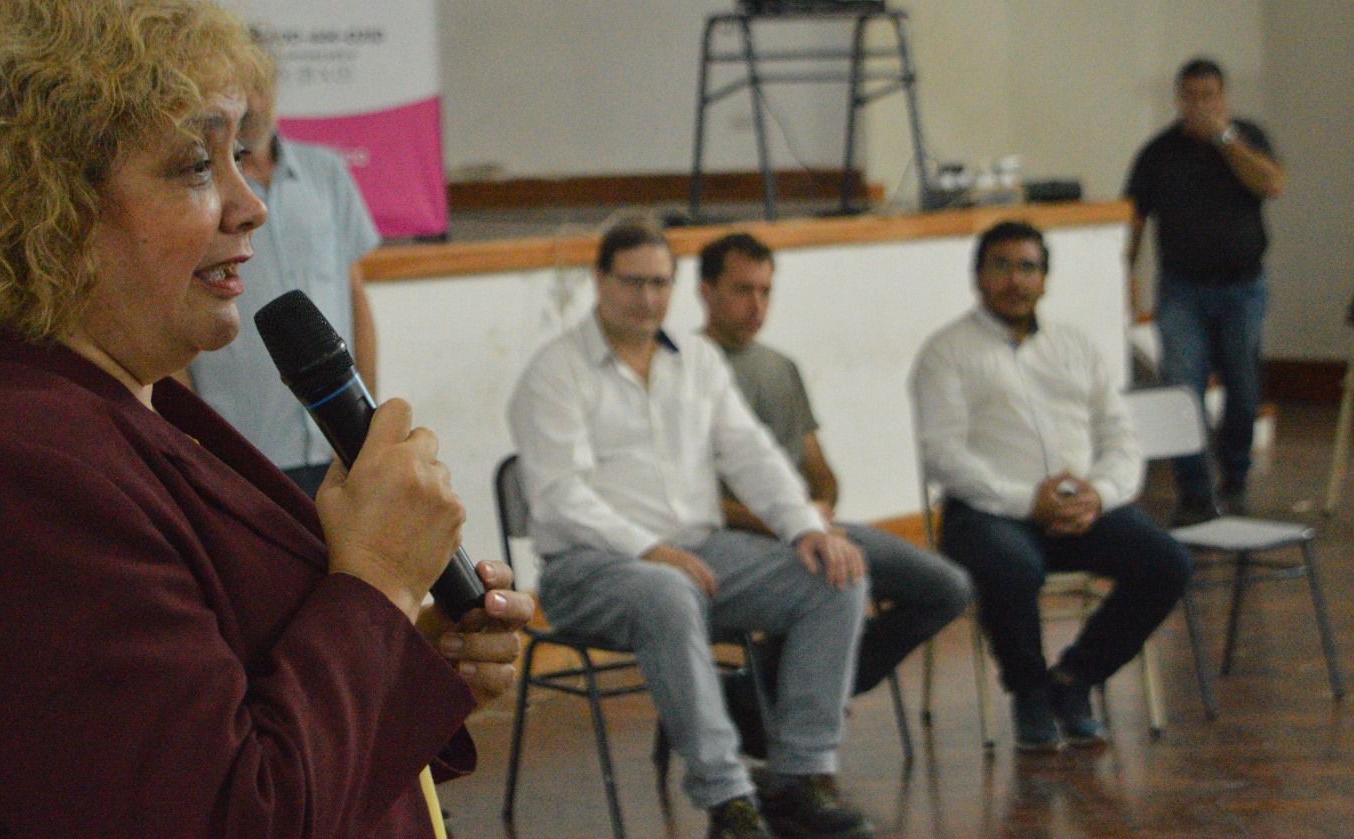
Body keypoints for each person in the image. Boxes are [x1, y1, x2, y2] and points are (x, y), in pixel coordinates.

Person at [0, 0, 532, 838]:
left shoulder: (120, 403)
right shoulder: (8, 470)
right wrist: (380, 585)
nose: (250, 205)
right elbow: (229, 814)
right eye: (195, 165)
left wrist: (401, 658)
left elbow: (231, 698)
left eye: (240, 156)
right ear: (44, 206)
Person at [508, 219, 875, 839]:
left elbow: (752, 455)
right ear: (599, 280)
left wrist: (805, 527)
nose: (648, 298)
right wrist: (651, 550)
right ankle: (728, 798)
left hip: (701, 553)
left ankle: (801, 776)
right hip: (588, 569)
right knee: (667, 591)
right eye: (633, 282)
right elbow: (560, 497)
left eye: (660, 283)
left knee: (835, 577)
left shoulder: (697, 360)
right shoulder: (554, 370)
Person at [910, 221, 1192, 752]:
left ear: (1044, 279)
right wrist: (1026, 502)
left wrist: (1099, 495)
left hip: (1080, 509)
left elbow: (1120, 436)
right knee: (1012, 567)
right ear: (978, 276)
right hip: (988, 513)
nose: (1015, 280)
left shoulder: (1074, 346)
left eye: (1028, 268)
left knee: (1168, 563)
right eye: (1001, 266)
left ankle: (1074, 679)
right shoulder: (946, 352)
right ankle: (1030, 692)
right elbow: (942, 454)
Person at [697, 232, 971, 697]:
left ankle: (776, 689)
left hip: (807, 530)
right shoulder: (685, 372)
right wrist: (790, 523)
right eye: (743, 290)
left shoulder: (779, 367)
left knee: (948, 588)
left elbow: (819, 470)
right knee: (831, 584)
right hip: (740, 539)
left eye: (765, 291)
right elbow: (694, 499)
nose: (757, 306)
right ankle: (776, 696)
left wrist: (820, 507)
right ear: (707, 292)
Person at [187, 62, 380, 498]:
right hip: (241, 451)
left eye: (259, 87)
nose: (252, 104)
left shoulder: (326, 172)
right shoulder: (197, 190)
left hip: (336, 445)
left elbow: (354, 298)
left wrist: (367, 416)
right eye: (236, 89)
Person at [1125, 57, 1287, 524]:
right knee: (1183, 388)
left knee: (1243, 385)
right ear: (1178, 100)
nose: (1200, 106)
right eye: (1191, 97)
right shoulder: (1158, 152)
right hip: (1181, 290)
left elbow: (1273, 183)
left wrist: (1225, 139)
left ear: (1224, 98)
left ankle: (1235, 477)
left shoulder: (1248, 138)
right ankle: (1194, 491)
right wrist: (1127, 281)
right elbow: (1134, 219)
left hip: (1243, 287)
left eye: (1209, 96)